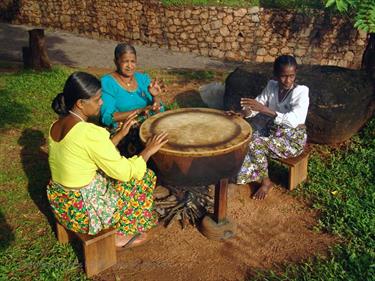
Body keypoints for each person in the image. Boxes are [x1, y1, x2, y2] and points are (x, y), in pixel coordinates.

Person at [47, 72, 168, 248]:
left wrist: (118, 136)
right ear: (80, 103)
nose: (101, 103)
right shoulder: (89, 133)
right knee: (144, 178)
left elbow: (89, 153)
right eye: (97, 100)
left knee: (118, 175)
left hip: (63, 204)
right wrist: (148, 150)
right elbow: (125, 173)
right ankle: (121, 234)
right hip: (85, 213)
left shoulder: (56, 125)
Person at [234, 55, 309, 200]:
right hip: (274, 132)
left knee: (255, 144)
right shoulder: (272, 86)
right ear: (276, 74)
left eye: (291, 76)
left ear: (295, 74)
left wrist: (265, 110)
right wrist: (242, 113)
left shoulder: (301, 92)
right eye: (283, 76)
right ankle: (244, 172)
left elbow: (295, 120)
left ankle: (266, 182)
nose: (288, 81)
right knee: (246, 136)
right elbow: (257, 105)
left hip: (292, 139)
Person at [100, 43, 164, 156]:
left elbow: (157, 109)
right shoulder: (108, 83)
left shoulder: (142, 78)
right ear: (116, 61)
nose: (130, 66)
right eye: (125, 61)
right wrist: (139, 111)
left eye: (133, 61)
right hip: (124, 133)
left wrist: (155, 97)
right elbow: (107, 118)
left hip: (147, 127)